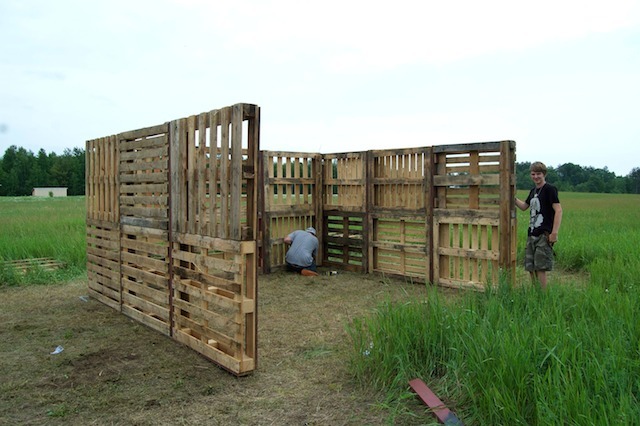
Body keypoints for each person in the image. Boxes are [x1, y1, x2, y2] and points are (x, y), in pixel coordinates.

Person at [515, 161, 563, 290]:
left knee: (540, 267)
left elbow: (558, 210)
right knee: (530, 266)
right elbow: (525, 207)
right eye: (533, 174)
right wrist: (512, 198)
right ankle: (535, 292)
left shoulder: (549, 189)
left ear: (544, 174)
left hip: (544, 234)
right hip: (532, 233)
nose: (536, 176)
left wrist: (554, 233)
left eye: (538, 174)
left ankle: (542, 295)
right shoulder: (533, 191)